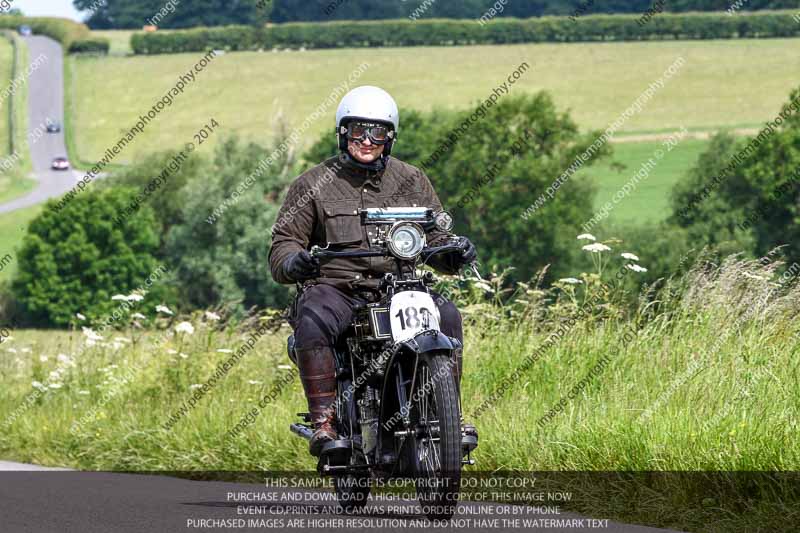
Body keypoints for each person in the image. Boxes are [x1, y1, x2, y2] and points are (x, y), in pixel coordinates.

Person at [269, 85, 478, 456]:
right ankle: (324, 422)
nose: (366, 140)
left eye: (377, 132)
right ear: (342, 133)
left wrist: (455, 253)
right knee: (312, 317)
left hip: (400, 288)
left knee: (447, 315)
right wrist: (294, 261)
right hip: (338, 289)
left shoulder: (412, 180)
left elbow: (435, 237)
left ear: (390, 137)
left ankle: (449, 418)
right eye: (357, 130)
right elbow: (284, 244)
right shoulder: (311, 184)